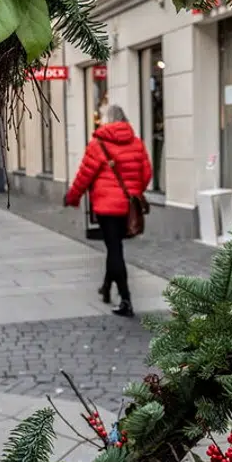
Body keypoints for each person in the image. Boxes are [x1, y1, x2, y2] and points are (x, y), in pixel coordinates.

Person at [64, 105, 151, 317]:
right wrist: (134, 192)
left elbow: (84, 175)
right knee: (115, 247)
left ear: (106, 120)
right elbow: (146, 173)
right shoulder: (136, 143)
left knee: (114, 250)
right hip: (129, 206)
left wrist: (72, 197)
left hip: (106, 207)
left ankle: (126, 299)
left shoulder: (98, 144)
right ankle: (106, 287)